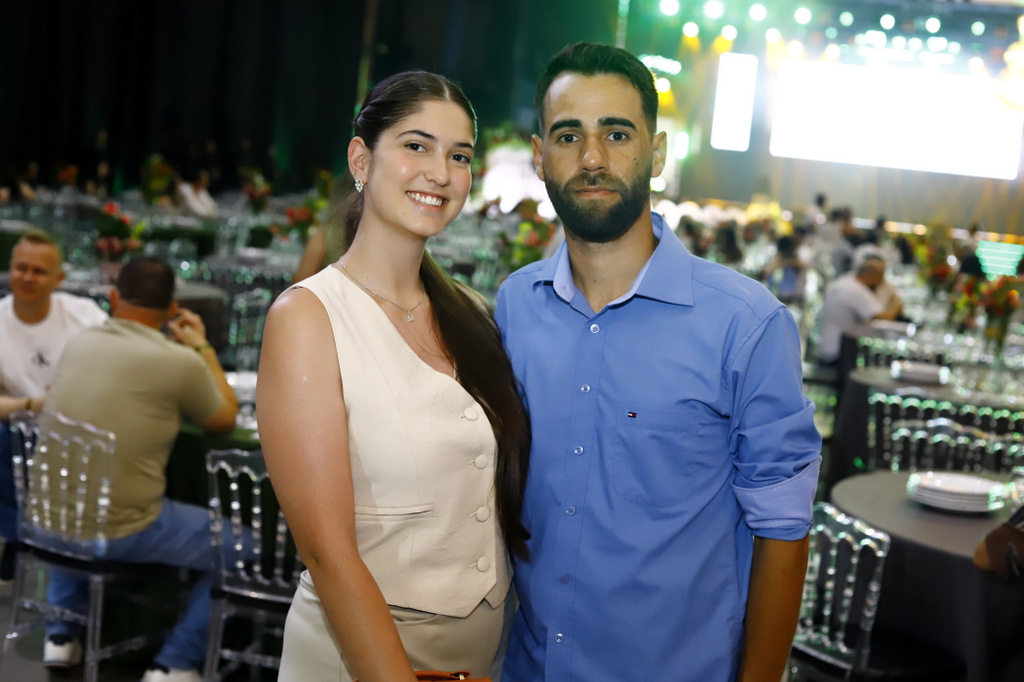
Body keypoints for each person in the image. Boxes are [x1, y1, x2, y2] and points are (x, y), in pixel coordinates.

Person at [494, 42, 821, 682]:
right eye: (568, 136)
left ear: (657, 153)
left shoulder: (745, 324)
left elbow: (783, 531)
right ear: (539, 156)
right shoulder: (516, 305)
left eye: (617, 134)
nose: (592, 158)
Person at [256, 71, 530, 682]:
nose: (440, 172)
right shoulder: (309, 317)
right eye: (416, 146)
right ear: (361, 159)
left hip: (485, 654)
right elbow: (326, 551)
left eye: (459, 156)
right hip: (361, 655)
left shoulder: (472, 312)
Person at [40, 256, 239, 682]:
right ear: (172, 309)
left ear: (114, 299)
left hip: (42, 521)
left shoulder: (78, 343)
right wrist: (202, 347)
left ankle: (61, 632)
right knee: (241, 545)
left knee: (77, 489)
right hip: (118, 531)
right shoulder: (179, 361)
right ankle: (176, 662)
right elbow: (225, 417)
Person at [0, 230, 108, 580]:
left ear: (59, 279)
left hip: (82, 431)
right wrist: (33, 403)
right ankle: (21, 538)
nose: (27, 278)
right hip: (20, 435)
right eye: (21, 268)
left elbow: (115, 370)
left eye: (39, 271)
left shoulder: (85, 316)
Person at [817, 250, 904, 368]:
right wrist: (896, 302)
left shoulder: (845, 281)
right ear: (874, 275)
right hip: (838, 355)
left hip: (828, 348)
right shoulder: (855, 290)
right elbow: (885, 318)